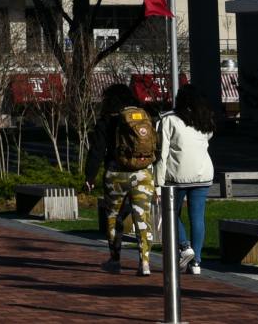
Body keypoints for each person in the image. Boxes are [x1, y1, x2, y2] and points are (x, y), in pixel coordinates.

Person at [83, 80, 158, 275]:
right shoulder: (142, 116)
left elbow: (97, 151)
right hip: (143, 172)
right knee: (142, 217)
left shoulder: (106, 119)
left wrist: (89, 176)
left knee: (113, 217)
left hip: (116, 174)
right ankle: (145, 262)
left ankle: (115, 260)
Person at [155, 87, 217, 275]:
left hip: (177, 175)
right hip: (203, 173)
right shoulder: (205, 119)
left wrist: (158, 182)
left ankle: (184, 246)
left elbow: (162, 153)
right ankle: (196, 262)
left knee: (170, 213)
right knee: (198, 217)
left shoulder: (168, 119)